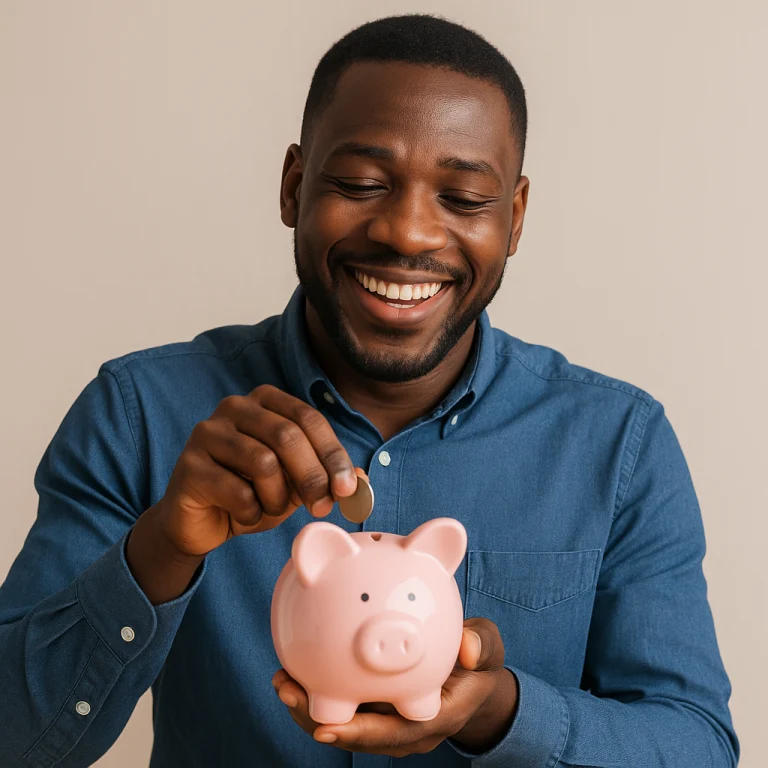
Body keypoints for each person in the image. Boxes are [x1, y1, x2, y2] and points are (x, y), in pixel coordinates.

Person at [0, 13, 739, 768]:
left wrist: (498, 711)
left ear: (513, 220)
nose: (409, 233)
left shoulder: (619, 443)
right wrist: (163, 547)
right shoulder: (140, 415)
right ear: (293, 188)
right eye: (361, 183)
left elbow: (695, 746)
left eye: (463, 199)